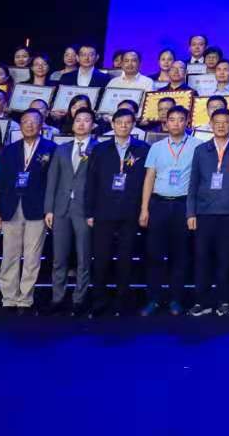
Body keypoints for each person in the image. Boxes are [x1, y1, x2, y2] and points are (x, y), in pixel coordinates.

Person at [86, 108, 150, 317]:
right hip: (103, 210)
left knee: (126, 258)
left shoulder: (142, 148)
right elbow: (91, 182)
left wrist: (143, 209)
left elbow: (147, 181)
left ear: (133, 125)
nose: (123, 125)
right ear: (112, 124)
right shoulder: (100, 149)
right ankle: (99, 300)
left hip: (130, 211)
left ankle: (122, 301)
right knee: (101, 258)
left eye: (128, 122)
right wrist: (89, 212)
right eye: (119, 122)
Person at [0, 109, 56, 312]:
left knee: (32, 257)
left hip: (37, 208)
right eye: (25, 121)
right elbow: (1, 182)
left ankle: (25, 298)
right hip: (11, 207)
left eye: (34, 121)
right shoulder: (9, 150)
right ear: (20, 125)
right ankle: (8, 297)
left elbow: (53, 182)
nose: (29, 125)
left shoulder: (51, 149)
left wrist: (50, 209)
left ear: (41, 124)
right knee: (9, 254)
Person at [186, 107, 229, 316]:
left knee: (226, 259)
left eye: (225, 122)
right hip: (204, 213)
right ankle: (201, 301)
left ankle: (224, 300)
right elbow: (193, 182)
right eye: (217, 122)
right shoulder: (201, 150)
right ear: (210, 125)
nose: (221, 125)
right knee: (202, 258)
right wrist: (190, 213)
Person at [139, 105, 195, 315]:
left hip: (183, 205)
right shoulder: (157, 147)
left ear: (187, 122)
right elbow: (149, 178)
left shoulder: (197, 145)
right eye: (172, 119)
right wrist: (144, 209)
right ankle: (153, 299)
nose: (176, 123)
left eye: (181, 119)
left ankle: (175, 300)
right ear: (165, 123)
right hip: (159, 204)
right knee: (154, 254)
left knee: (179, 256)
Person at [44, 107, 97, 315]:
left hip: (84, 209)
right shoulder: (62, 149)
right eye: (78, 120)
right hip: (61, 208)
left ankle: (78, 299)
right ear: (73, 124)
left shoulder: (98, 149)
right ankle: (57, 298)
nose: (81, 124)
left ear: (93, 125)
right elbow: (52, 180)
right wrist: (49, 209)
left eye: (86, 120)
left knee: (84, 257)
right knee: (59, 257)